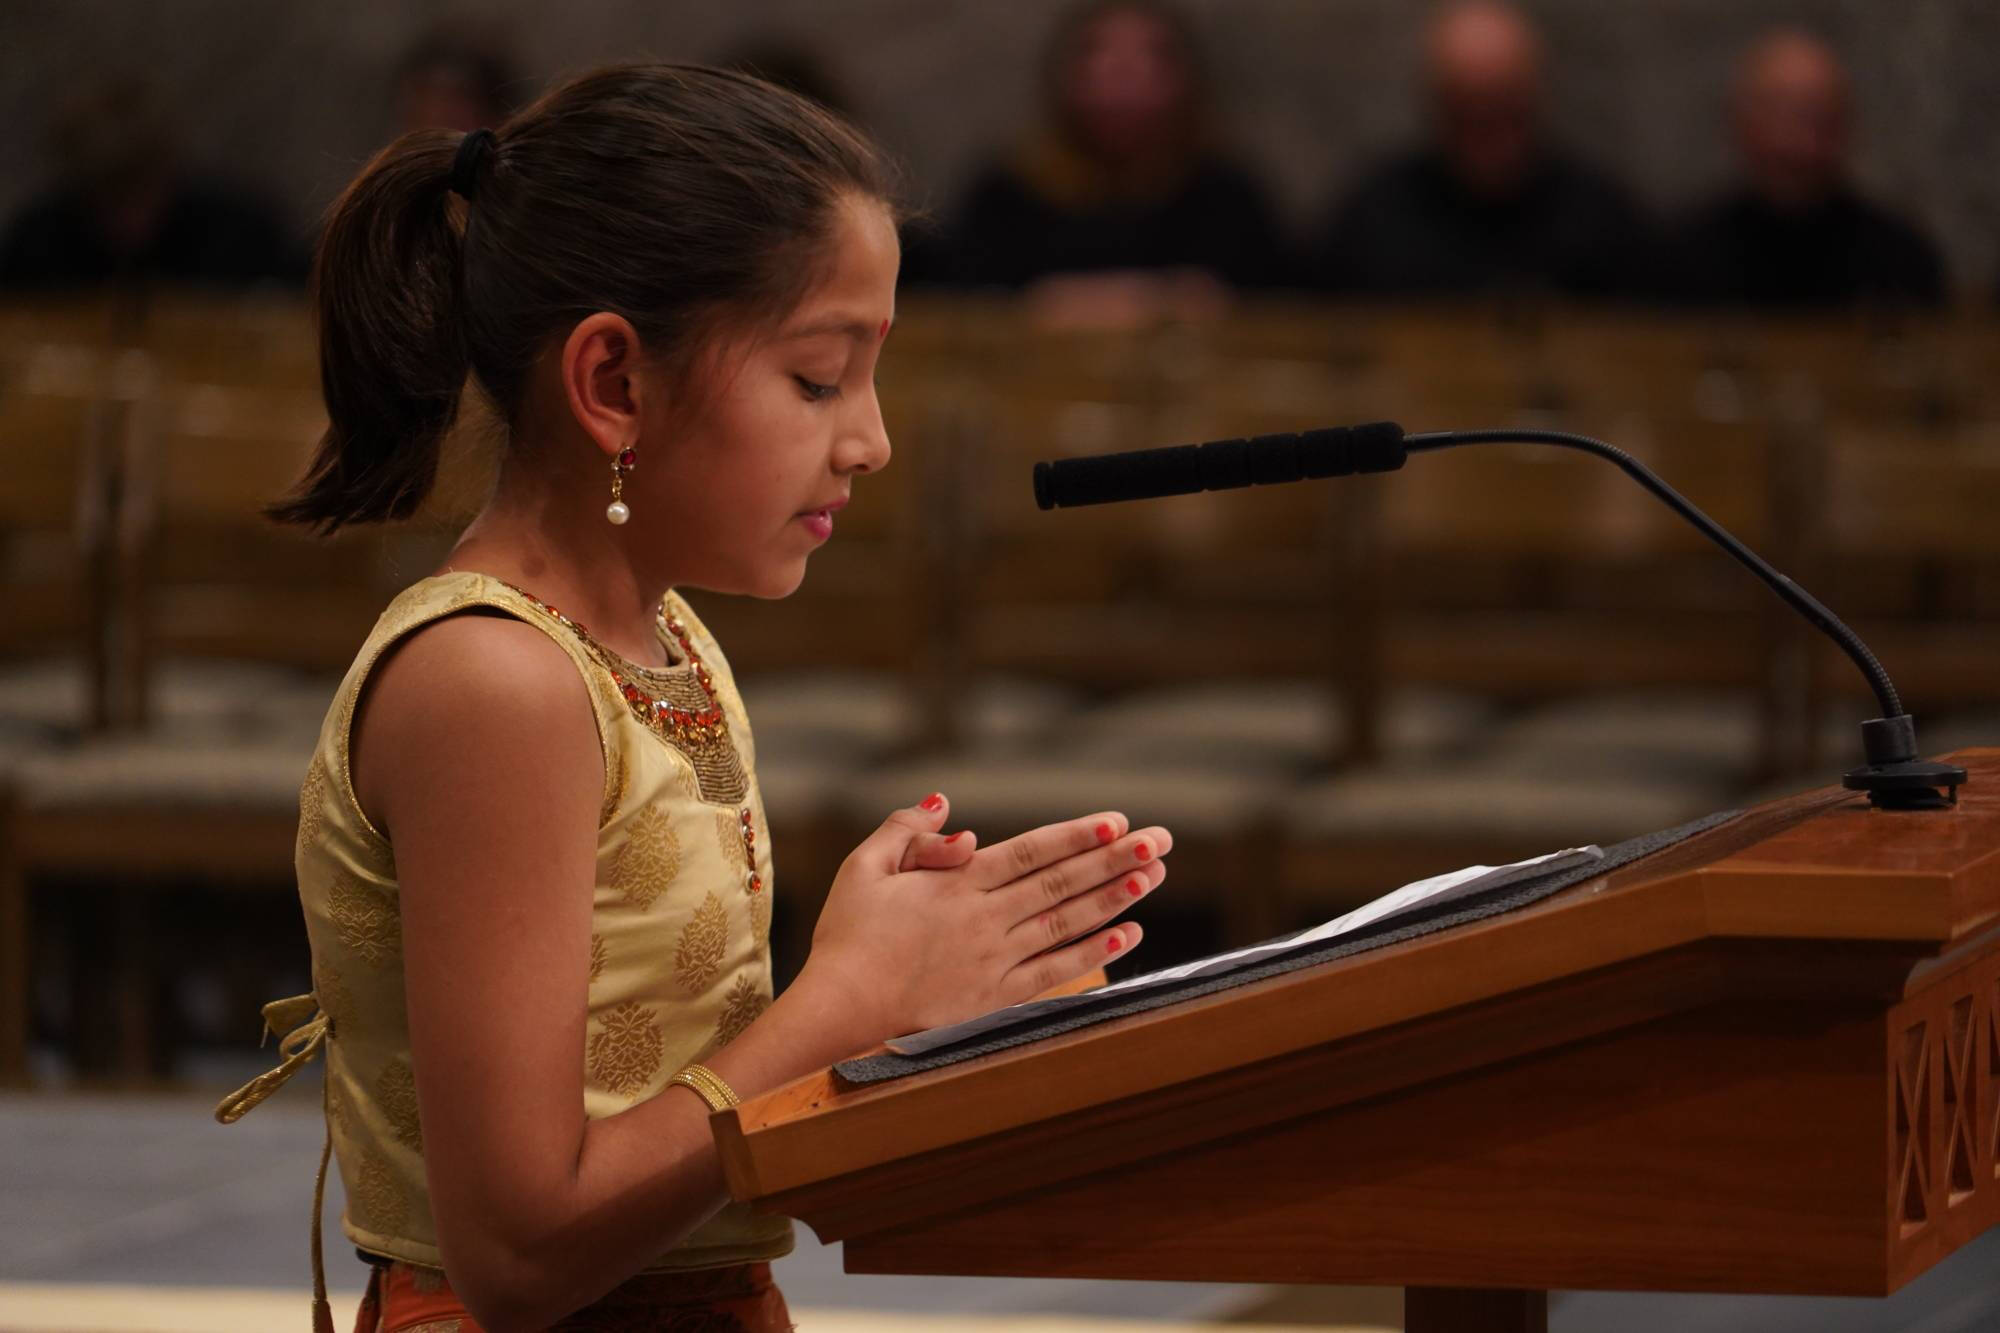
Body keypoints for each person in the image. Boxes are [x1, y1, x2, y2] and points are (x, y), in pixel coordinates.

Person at [213, 65, 1171, 1332]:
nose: (871, 440)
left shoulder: (666, 637)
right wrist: (836, 1006)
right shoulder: (492, 681)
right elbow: (514, 1253)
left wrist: (931, 1016)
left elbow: (688, 1110)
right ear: (613, 381)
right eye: (818, 379)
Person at [942, 0, 1293, 316]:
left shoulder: (1226, 196)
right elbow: (964, 306)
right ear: (1063, 75)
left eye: (1151, 57)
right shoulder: (1008, 195)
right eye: (1099, 55)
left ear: (1186, 78)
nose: (1124, 76)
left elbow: (1285, 309)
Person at [1314, 0, 1652, 300]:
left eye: (1505, 107)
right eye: (1467, 110)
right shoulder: (1371, 224)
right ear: (1434, 103)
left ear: (1536, 96)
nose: (1488, 130)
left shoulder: (1603, 224)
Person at [1668, 28, 1946, 309]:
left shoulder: (1898, 259)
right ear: (1738, 124)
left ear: (1847, 128)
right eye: (1779, 118)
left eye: (1818, 120)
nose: (1798, 145)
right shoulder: (1683, 259)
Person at [0, 76, 301, 291]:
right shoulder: (38, 245)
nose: (126, 222)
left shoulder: (240, 236)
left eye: (139, 195)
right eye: (110, 201)